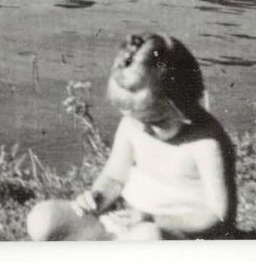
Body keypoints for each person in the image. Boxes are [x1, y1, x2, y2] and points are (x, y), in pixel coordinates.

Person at [27, 34, 236, 242]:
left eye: (157, 121)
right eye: (136, 119)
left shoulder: (207, 143)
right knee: (44, 218)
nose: (144, 129)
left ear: (186, 104)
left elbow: (220, 216)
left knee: (148, 236)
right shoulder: (133, 126)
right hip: (125, 225)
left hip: (177, 235)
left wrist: (154, 219)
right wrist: (96, 198)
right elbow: (114, 178)